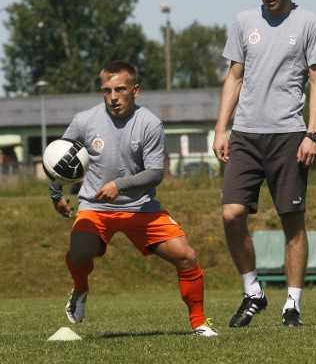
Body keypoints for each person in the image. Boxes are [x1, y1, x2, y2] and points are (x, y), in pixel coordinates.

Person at [49, 60, 218, 337]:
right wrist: (56, 195)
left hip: (141, 208)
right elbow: (60, 161)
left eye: (120, 89)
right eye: (106, 90)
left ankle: (199, 323)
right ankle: (80, 288)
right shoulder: (84, 121)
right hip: (95, 207)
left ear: (135, 90)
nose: (113, 97)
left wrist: (120, 185)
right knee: (79, 254)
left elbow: (155, 173)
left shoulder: (149, 123)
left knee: (186, 256)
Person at [212, 0, 316, 328]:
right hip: (245, 134)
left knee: (291, 221)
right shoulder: (244, 22)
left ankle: (292, 305)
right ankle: (253, 292)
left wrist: (312, 133)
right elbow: (234, 77)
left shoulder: (310, 22)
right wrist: (220, 128)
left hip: (289, 136)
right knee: (231, 214)